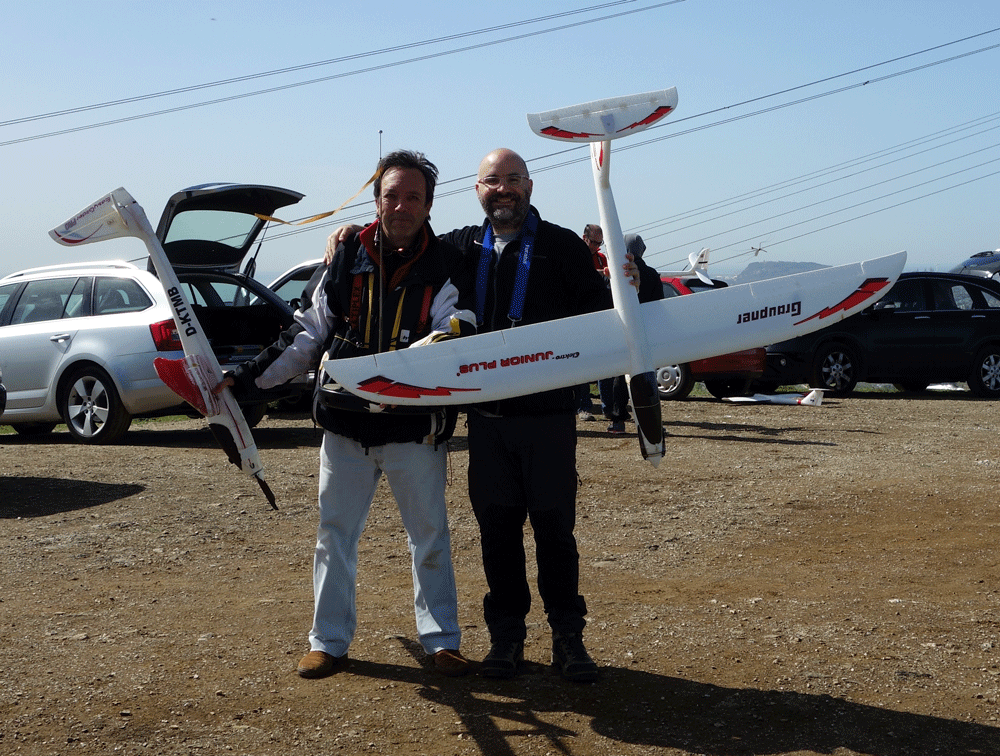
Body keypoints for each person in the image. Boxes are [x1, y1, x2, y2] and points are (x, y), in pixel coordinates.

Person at [328, 148, 638, 683]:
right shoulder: (460, 246)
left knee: (554, 532)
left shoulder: (562, 246)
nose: (503, 189)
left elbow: (607, 312)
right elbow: (404, 239)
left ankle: (568, 638)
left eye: (513, 179)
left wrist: (632, 282)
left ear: (530, 187)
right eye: (492, 181)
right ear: (477, 192)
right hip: (487, 422)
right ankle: (506, 638)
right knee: (497, 533)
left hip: (548, 418)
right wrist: (353, 233)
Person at [216, 150, 477, 680]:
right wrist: (244, 382)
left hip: (413, 430)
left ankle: (441, 641)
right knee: (334, 535)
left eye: (412, 197)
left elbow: (456, 331)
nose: (401, 206)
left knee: (429, 536)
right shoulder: (346, 257)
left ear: (428, 205)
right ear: (376, 200)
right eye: (391, 195)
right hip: (345, 427)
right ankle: (328, 642)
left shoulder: (448, 262)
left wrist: (413, 362)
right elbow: (307, 333)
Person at [606, 233, 664, 434]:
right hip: (647, 332)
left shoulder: (619, 273)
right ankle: (653, 423)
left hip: (624, 331)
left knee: (620, 378)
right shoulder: (652, 273)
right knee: (647, 379)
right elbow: (659, 304)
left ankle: (618, 420)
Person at [575, 224, 608, 421]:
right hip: (579, 316)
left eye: (599, 243)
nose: (596, 246)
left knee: (601, 362)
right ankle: (583, 406)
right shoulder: (574, 254)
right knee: (582, 364)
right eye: (594, 242)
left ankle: (608, 406)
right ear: (584, 238)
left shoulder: (601, 258)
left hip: (598, 315)